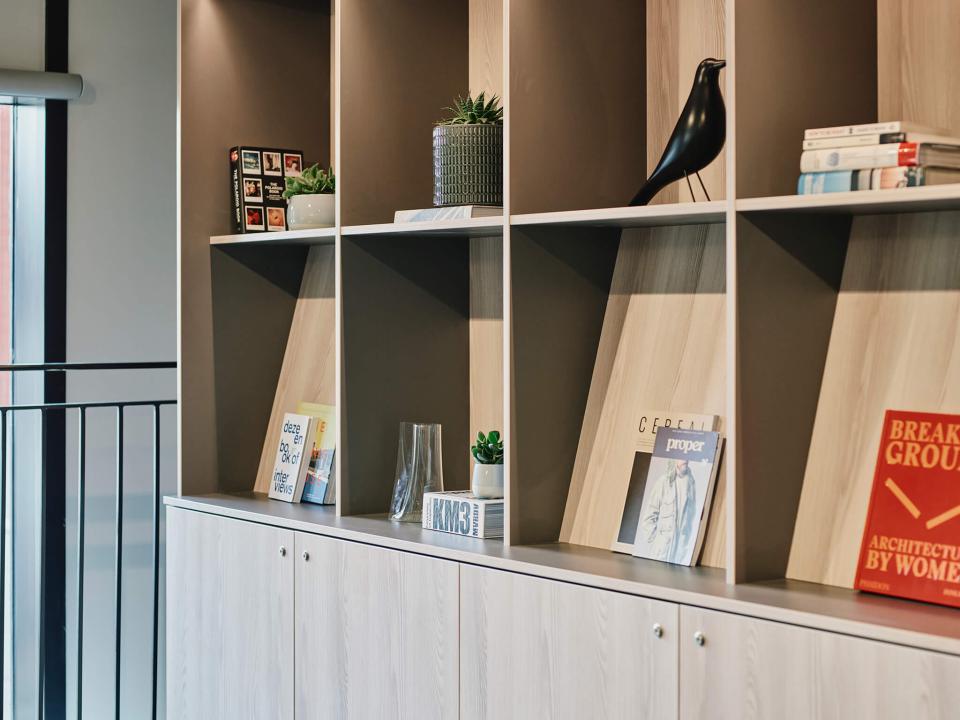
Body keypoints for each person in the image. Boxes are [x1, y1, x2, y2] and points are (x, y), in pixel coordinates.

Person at [640, 458, 697, 563]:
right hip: (661, 554)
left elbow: (691, 521)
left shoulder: (691, 484)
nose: (685, 459)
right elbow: (649, 517)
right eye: (681, 456)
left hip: (680, 555)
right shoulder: (664, 482)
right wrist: (657, 543)